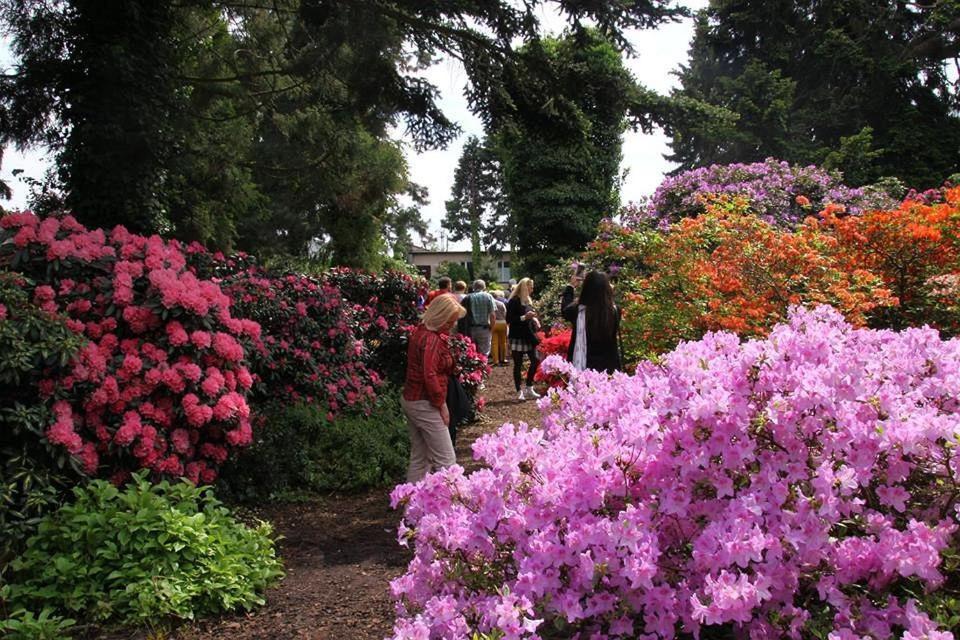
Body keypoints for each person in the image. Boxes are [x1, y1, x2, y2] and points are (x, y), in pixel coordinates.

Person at [401, 294, 465, 482]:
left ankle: (412, 507)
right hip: (425, 402)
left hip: (411, 399)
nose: (451, 326)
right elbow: (429, 375)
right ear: (439, 316)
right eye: (449, 322)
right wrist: (441, 405)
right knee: (446, 460)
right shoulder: (432, 339)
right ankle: (453, 508)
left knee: (420, 458)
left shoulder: (420, 332)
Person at [562, 271, 622, 374]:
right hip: (608, 368)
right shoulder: (614, 311)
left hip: (583, 367)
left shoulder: (578, 310)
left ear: (586, 289)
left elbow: (565, 311)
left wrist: (570, 287)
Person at [506, 277, 541, 401]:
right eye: (530, 287)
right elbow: (509, 319)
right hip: (518, 336)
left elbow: (529, 316)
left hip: (529, 335)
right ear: (525, 288)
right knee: (518, 364)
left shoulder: (528, 301)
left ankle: (529, 386)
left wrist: (533, 319)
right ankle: (519, 390)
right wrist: (524, 317)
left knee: (535, 360)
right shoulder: (514, 301)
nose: (532, 289)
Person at [461, 279, 496, 357]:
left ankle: (475, 368)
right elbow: (492, 315)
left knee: (471, 353)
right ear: (484, 287)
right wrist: (492, 328)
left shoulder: (468, 297)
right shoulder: (488, 296)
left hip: (471, 329)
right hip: (484, 329)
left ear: (474, 287)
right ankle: (483, 368)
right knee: (484, 353)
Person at [491, 292, 508, 366]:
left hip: (494, 323)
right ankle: (503, 358)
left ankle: (495, 360)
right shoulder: (501, 303)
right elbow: (505, 313)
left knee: (494, 343)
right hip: (502, 322)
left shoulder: (490, 303)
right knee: (503, 342)